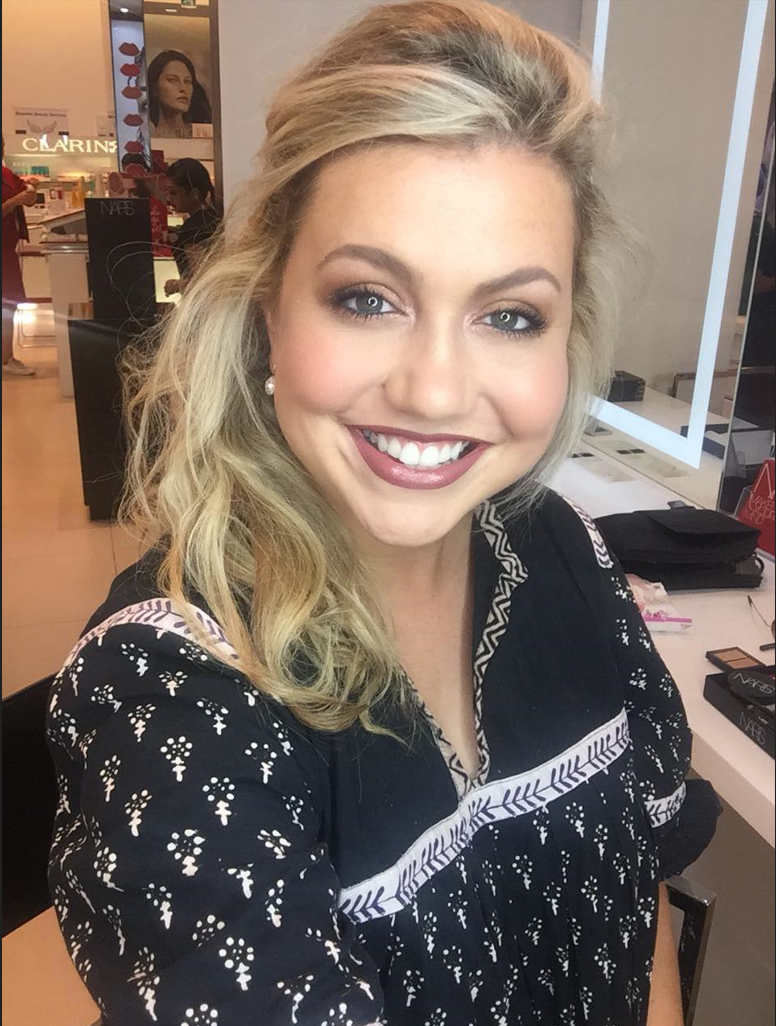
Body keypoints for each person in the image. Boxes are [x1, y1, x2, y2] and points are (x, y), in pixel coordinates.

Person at [46, 3, 721, 1024]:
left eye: (509, 316)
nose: (434, 391)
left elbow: (644, 895)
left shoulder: (561, 551)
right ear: (270, 309)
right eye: (367, 298)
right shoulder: (170, 693)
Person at [2, 136, 37, 376]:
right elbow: (14, 201)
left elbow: (27, 194)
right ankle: (5, 358)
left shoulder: (6, 173)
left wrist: (31, 190)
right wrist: (14, 201)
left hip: (7, 249)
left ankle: (7, 355)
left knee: (9, 305)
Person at [163, 158, 222, 295]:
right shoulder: (213, 217)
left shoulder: (194, 227)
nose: (169, 198)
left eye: (173, 192)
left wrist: (176, 285)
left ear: (194, 193)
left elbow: (202, 281)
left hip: (202, 302)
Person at [147, 49, 212, 139]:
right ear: (154, 88)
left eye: (187, 81)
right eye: (172, 80)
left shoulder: (205, 135)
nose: (183, 88)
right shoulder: (147, 136)